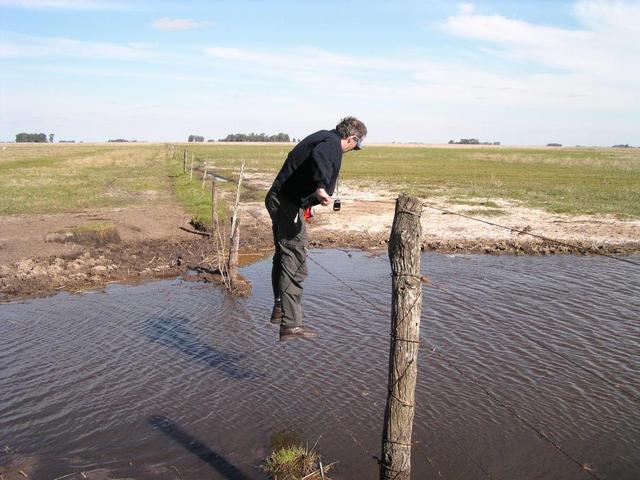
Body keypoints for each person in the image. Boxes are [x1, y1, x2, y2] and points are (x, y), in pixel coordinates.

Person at [265, 116, 367, 341]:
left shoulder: (324, 136)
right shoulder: (331, 143)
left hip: (281, 200)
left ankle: (280, 309)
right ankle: (291, 325)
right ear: (351, 138)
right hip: (286, 203)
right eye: (355, 146)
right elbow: (320, 158)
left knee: (284, 256)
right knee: (295, 260)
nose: (353, 150)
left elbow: (311, 162)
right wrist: (321, 187)